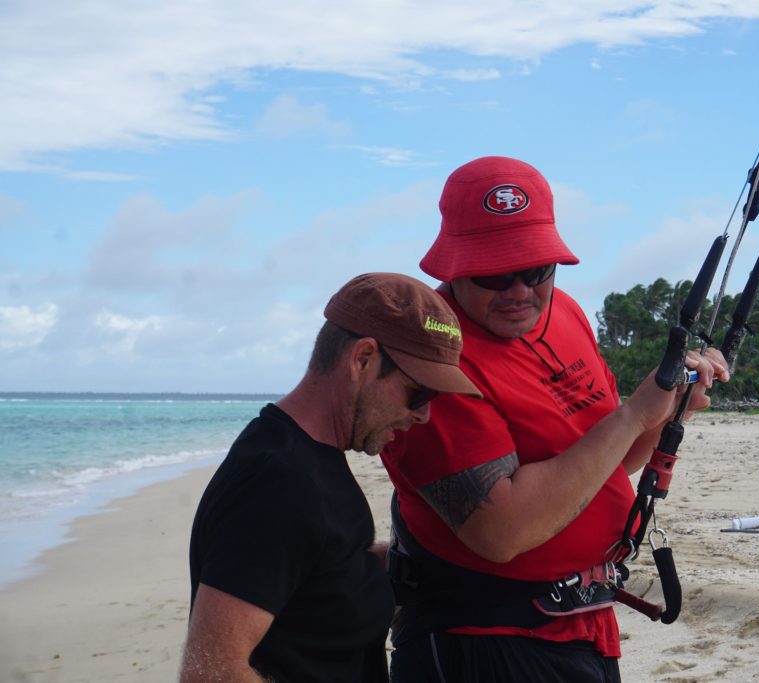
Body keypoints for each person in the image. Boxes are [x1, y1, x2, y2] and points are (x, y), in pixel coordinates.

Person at [380, 156, 730, 682]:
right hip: (483, 643)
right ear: (454, 265)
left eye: (536, 267)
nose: (519, 290)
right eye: (495, 273)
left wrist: (664, 412)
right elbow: (502, 530)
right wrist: (634, 414)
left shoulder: (563, 312)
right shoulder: (433, 357)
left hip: (582, 626)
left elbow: (612, 461)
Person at [180, 273, 481, 683]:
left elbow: (309, 569)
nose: (424, 415)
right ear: (362, 360)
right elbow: (210, 672)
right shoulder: (276, 482)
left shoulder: (311, 460)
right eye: (419, 393)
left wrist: (402, 564)